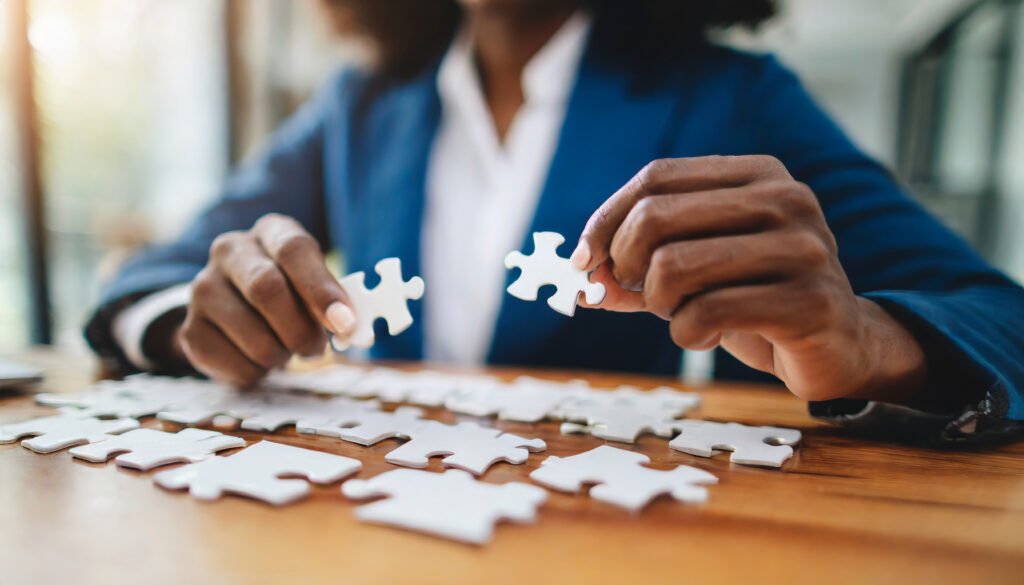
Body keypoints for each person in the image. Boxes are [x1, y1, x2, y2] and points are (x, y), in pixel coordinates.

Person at [85, 0, 1024, 445]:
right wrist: (195, 315)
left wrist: (864, 342)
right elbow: (154, 275)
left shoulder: (732, 96)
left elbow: (1001, 320)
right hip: (370, 521)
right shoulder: (362, 104)